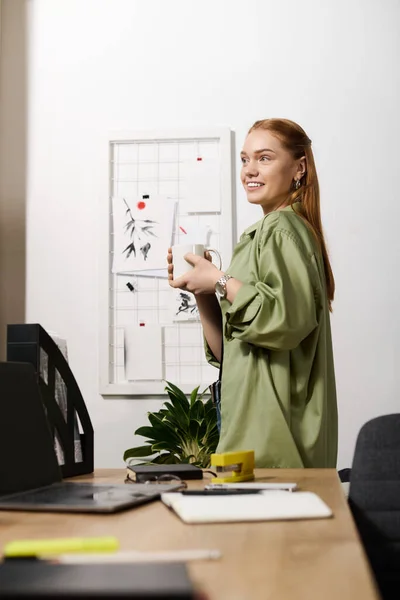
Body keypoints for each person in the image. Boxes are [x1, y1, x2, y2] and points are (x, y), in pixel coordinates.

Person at [168, 118, 337, 468]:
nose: (250, 170)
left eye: (264, 158)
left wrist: (218, 279)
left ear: (299, 168)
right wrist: (202, 290)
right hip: (253, 435)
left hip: (275, 442)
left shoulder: (281, 228)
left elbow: (286, 321)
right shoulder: (266, 232)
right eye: (245, 159)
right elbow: (229, 354)